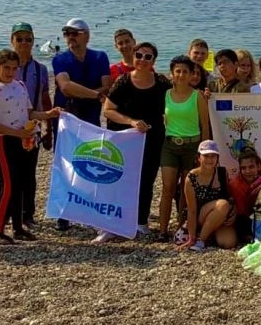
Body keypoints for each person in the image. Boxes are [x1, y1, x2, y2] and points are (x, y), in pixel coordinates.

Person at [0, 49, 61, 245]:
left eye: (14, 68)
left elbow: (30, 113)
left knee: (19, 183)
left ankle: (18, 228)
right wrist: (17, 133)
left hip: (23, 139)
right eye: (6, 68)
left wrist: (49, 115)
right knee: (8, 184)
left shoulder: (20, 85)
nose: (10, 72)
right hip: (2, 140)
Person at [100, 42, 170, 243]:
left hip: (153, 139)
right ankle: (113, 223)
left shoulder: (162, 83)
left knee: (146, 180)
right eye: (139, 55)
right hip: (125, 139)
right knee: (120, 179)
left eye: (148, 57)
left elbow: (178, 99)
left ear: (153, 61)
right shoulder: (123, 82)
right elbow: (108, 110)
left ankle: (141, 222)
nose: (142, 60)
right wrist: (130, 122)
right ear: (133, 56)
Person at [52, 18, 110, 230]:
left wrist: (87, 93)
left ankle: (88, 210)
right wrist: (95, 94)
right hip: (67, 118)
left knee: (90, 162)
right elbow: (66, 87)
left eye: (74, 33)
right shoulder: (60, 59)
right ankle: (63, 213)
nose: (70, 38)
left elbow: (107, 85)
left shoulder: (100, 56)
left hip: (90, 117)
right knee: (65, 164)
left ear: (86, 35)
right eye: (67, 34)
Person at [158, 55, 211, 241]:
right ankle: (162, 230)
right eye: (177, 71)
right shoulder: (165, 95)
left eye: (185, 72)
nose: (181, 75)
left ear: (191, 75)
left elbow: (205, 126)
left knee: (185, 190)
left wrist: (202, 152)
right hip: (170, 146)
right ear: (172, 73)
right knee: (168, 187)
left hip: (192, 146)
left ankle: (182, 228)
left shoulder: (198, 96)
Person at [6, 22, 53, 229]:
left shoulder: (40, 69)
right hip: (6, 129)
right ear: (12, 41)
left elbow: (44, 98)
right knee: (8, 173)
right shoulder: (3, 67)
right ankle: (7, 212)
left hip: (32, 128)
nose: (24, 43)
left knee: (28, 172)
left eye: (28, 39)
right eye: (19, 39)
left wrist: (49, 127)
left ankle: (27, 214)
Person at [180, 140, 237, 251]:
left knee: (229, 243)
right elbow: (191, 210)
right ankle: (200, 240)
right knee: (223, 204)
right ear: (199, 157)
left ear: (217, 158)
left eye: (213, 156)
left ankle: (209, 234)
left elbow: (228, 196)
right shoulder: (191, 178)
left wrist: (234, 210)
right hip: (199, 216)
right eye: (206, 156)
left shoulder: (222, 173)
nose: (210, 160)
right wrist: (191, 237)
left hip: (219, 215)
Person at [228, 147, 261, 243]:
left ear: (258, 166)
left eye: (251, 167)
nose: (248, 171)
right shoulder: (235, 185)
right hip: (245, 218)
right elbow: (241, 212)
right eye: (243, 168)